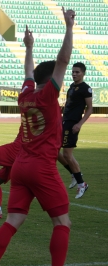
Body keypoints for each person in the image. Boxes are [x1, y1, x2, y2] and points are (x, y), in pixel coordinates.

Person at [0, 15, 78, 266]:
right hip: (41, 167)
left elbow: (28, 74)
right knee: (62, 222)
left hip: (21, 165)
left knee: (13, 221)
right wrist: (69, 28)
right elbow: (62, 61)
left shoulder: (25, 96)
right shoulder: (48, 96)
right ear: (52, 83)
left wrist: (29, 47)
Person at [57, 62, 92, 198]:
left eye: (77, 72)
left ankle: (81, 183)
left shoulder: (85, 89)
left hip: (73, 124)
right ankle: (73, 173)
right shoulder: (72, 87)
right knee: (54, 151)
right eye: (73, 72)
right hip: (64, 122)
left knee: (67, 154)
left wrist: (80, 124)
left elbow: (90, 108)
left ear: (83, 73)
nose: (74, 74)